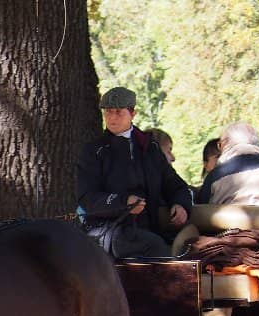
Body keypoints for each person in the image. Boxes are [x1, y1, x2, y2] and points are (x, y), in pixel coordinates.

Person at [77, 87, 193, 258]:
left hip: (148, 228)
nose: (112, 117)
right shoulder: (94, 151)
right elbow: (88, 198)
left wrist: (181, 205)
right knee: (153, 246)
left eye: (118, 112)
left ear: (133, 113)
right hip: (108, 229)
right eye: (108, 112)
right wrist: (124, 202)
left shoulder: (150, 149)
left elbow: (176, 186)